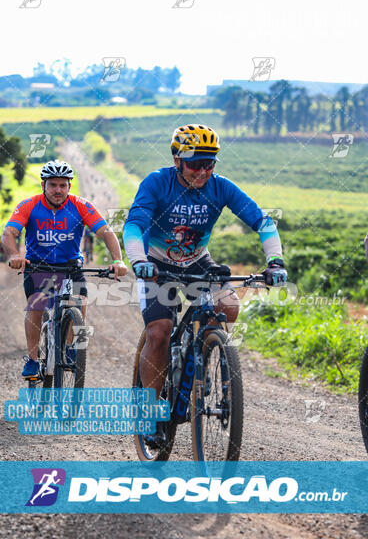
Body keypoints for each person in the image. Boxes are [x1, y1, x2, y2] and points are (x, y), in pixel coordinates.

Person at [123, 124, 287, 447]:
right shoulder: (157, 183)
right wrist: (139, 261)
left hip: (199, 261)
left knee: (228, 306)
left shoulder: (221, 188)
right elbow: (134, 225)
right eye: (196, 163)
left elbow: (262, 221)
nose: (203, 171)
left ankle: (204, 348)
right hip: (157, 264)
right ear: (177, 160)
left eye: (210, 163)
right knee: (158, 331)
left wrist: (275, 262)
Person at [1, 159, 128, 378]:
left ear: (69, 186)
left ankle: (72, 349)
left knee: (79, 303)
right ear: (43, 185)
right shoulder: (29, 205)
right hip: (38, 266)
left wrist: (118, 260)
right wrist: (13, 255)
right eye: (53, 185)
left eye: (63, 185)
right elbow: (9, 233)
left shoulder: (80, 205)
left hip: (70, 267)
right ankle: (32, 359)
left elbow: (106, 231)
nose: (58, 190)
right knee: (36, 304)